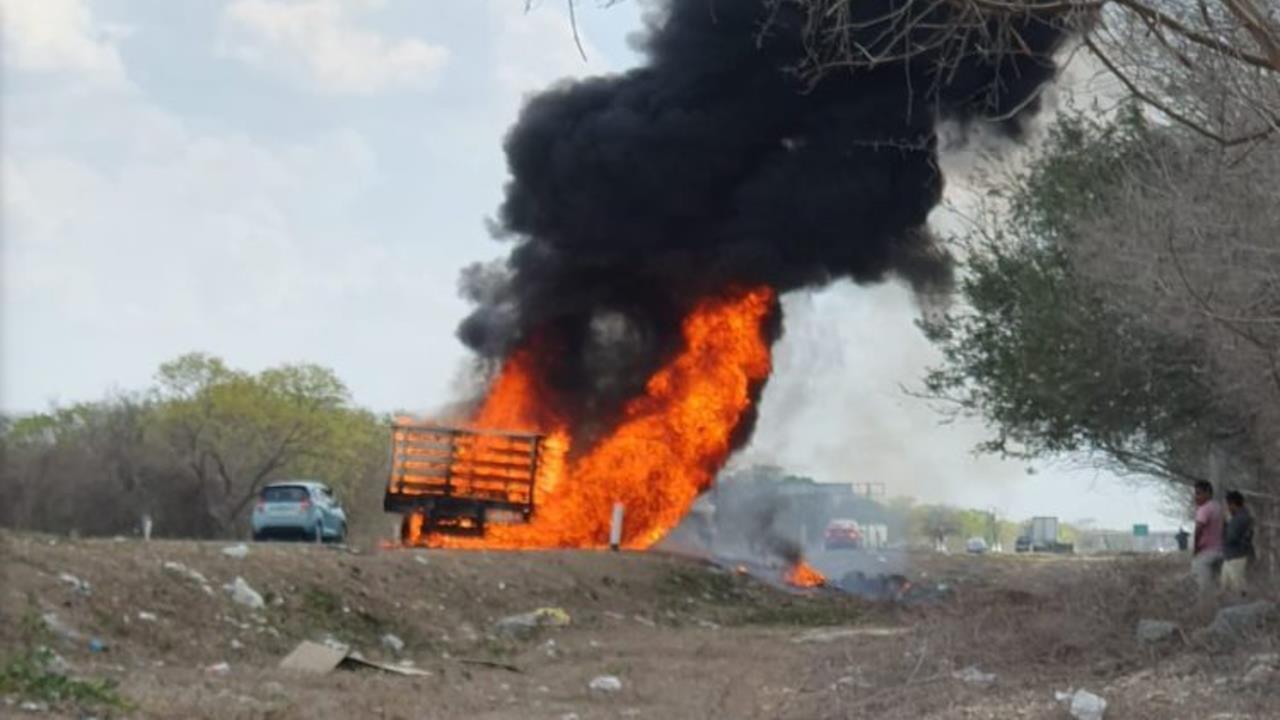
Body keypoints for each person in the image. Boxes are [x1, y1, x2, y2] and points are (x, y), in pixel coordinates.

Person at [1191, 480, 1225, 593]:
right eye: (1196, 493)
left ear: (1208, 493)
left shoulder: (1203, 509)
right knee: (1216, 585)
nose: (1196, 497)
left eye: (1199, 493)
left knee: (1203, 587)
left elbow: (1198, 529)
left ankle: (1205, 608)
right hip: (1220, 552)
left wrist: (1195, 549)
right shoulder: (1218, 507)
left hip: (1206, 553)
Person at [1222, 490, 1255, 596]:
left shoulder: (1238, 519)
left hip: (1236, 558)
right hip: (1236, 557)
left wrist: (1222, 528)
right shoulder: (1244, 516)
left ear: (1233, 504)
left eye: (1227, 505)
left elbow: (1231, 538)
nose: (1227, 508)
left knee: (1239, 592)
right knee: (1230, 590)